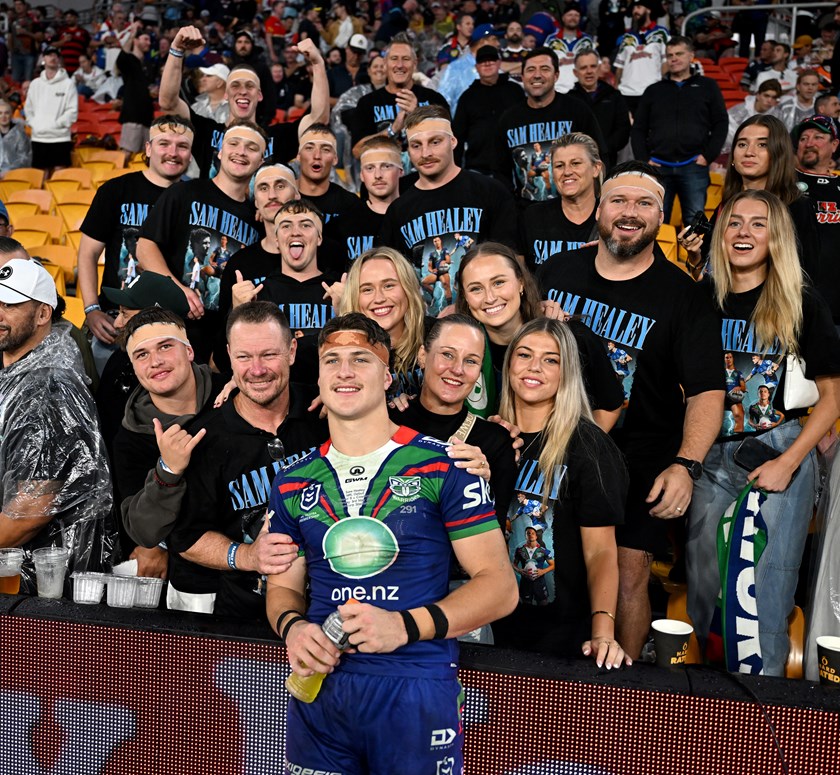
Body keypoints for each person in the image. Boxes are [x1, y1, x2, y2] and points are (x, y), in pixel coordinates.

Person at [265, 312, 517, 774]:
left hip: (414, 688)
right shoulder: (290, 481)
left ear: (387, 375)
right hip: (320, 693)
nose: (344, 371)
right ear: (318, 376)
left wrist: (404, 627)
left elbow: (500, 588)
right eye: (332, 360)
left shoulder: (447, 466)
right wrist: (293, 629)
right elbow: (283, 588)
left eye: (360, 359)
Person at [537, 162, 725, 659]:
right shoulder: (556, 274)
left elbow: (708, 389)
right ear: (599, 209)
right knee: (550, 567)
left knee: (629, 575)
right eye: (619, 200)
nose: (630, 213)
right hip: (557, 445)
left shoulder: (685, 296)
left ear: (661, 218)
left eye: (644, 205)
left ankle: (622, 692)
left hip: (638, 456)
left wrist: (686, 464)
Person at [687, 189, 840, 676]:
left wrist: (789, 462)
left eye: (758, 224)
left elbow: (831, 398)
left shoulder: (801, 302)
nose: (744, 233)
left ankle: (760, 728)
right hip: (711, 456)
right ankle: (704, 708)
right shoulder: (699, 300)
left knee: (764, 600)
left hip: (777, 453)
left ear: (776, 237)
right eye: (734, 223)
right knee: (702, 591)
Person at [169, 301, 327, 617]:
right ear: (229, 356)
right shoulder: (202, 438)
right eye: (244, 357)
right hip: (244, 619)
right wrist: (248, 556)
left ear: (292, 351)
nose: (257, 370)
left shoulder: (325, 412)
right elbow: (186, 537)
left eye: (269, 354)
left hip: (331, 612)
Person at [490, 317, 630, 666]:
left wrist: (603, 633)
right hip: (486, 626)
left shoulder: (589, 447)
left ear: (566, 373)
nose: (534, 366)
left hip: (559, 638)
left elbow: (601, 553)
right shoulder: (487, 440)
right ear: (509, 365)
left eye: (551, 359)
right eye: (524, 355)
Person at [0, 259, 115, 593]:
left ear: (42, 314)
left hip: (45, 581)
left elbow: (32, 510)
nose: (0, 313)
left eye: (11, 305)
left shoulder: (49, 387)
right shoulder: (18, 375)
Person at [456, 241, 623, 426]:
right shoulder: (459, 346)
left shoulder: (572, 338)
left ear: (521, 283)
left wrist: (579, 451)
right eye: (476, 288)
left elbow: (610, 405)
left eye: (499, 282)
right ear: (465, 296)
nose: (490, 297)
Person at [137, 121, 265, 360]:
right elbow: (145, 248)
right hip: (172, 328)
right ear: (220, 151)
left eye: (251, 148)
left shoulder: (259, 220)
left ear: (261, 161)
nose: (241, 152)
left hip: (224, 341)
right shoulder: (184, 192)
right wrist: (176, 288)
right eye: (234, 144)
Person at [79, 114, 194, 373]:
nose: (173, 153)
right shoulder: (115, 190)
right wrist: (91, 309)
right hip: (116, 319)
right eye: (164, 143)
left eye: (182, 146)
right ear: (148, 148)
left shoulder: (194, 199)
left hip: (170, 325)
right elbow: (87, 254)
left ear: (190, 154)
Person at [378, 105, 518, 315]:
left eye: (435, 142)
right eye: (416, 145)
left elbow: (515, 264)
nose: (426, 153)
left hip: (488, 321)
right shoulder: (398, 211)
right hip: (426, 330)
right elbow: (390, 281)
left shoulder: (490, 192)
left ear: (453, 141)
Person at [389, 314, 518, 519]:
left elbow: (495, 534)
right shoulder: (386, 420)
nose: (458, 369)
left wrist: (482, 487)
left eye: (471, 361)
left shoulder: (496, 441)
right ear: (423, 356)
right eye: (448, 355)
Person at [158, 26, 328, 178]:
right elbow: (168, 103)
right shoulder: (206, 132)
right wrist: (176, 50)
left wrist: (318, 63)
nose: (243, 91)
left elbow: (318, 120)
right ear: (226, 94)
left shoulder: (275, 138)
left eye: (250, 86)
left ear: (259, 95)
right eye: (235, 85)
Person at [683, 114, 821, 284]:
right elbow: (707, 278)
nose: (749, 152)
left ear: (779, 154)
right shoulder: (725, 206)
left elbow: (806, 277)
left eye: (762, 145)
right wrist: (694, 256)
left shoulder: (795, 207)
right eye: (742, 144)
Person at [631, 36, 728, 227]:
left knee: (695, 224)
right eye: (670, 55)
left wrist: (708, 156)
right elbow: (638, 129)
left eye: (679, 54)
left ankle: (695, 259)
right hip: (658, 167)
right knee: (654, 223)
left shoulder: (708, 86)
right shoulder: (653, 91)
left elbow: (721, 122)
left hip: (694, 166)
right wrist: (644, 161)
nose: (673, 58)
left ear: (691, 56)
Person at [494, 47, 606, 203]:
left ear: (556, 75)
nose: (537, 75)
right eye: (531, 69)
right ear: (522, 77)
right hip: (526, 214)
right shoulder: (508, 119)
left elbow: (599, 157)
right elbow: (501, 172)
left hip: (575, 210)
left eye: (545, 69)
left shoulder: (577, 111)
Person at [336, 246, 428, 398]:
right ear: (354, 297)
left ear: (408, 288)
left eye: (389, 286)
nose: (379, 298)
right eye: (367, 289)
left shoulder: (436, 336)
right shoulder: (336, 350)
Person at [218, 163, 299, 324]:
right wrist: (237, 310)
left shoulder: (325, 254)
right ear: (256, 202)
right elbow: (222, 339)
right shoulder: (239, 263)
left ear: (297, 195)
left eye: (280, 186)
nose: (272, 195)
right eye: (263, 188)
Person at [350, 33, 449, 159]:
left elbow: (447, 144)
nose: (400, 65)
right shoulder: (367, 103)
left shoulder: (434, 100)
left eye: (406, 59)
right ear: (385, 63)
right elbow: (358, 151)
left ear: (415, 64)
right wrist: (392, 130)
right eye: (394, 58)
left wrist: (417, 116)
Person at [519, 132, 602, 268]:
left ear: (595, 168)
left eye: (575, 163)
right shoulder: (533, 217)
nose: (567, 172)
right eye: (559, 166)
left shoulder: (611, 219)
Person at [793, 115, 840, 327]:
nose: (809, 143)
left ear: (835, 144)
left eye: (818, 137)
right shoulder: (784, 185)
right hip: (797, 303)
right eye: (803, 138)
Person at [452, 44, 525, 179]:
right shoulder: (467, 97)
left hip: (514, 167)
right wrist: (454, 173)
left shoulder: (515, 91)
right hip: (477, 168)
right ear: (477, 67)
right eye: (482, 61)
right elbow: (457, 137)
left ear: (499, 63)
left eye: (491, 59)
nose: (487, 63)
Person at [295, 123, 360, 273]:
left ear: (335, 159)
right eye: (309, 148)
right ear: (298, 156)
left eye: (325, 149)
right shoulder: (282, 199)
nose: (317, 155)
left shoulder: (350, 204)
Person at [341, 135, 403, 261]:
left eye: (386, 166)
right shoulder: (343, 225)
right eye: (370, 168)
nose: (378, 175)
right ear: (362, 175)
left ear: (401, 171)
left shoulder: (414, 217)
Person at [568, 49, 631, 171]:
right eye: (583, 68)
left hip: (608, 163)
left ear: (599, 68)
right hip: (576, 164)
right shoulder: (568, 100)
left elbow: (623, 129)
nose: (589, 71)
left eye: (593, 66)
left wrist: (603, 148)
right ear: (575, 72)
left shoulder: (614, 96)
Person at [23, 46, 77, 174]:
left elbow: (72, 112)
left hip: (60, 138)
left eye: (55, 55)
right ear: (43, 58)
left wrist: (56, 125)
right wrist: (36, 125)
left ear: (58, 59)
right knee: (41, 176)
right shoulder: (35, 84)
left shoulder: (68, 84)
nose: (52, 58)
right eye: (49, 55)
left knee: (60, 176)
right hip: (39, 137)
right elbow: (28, 109)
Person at [613, 0, 669, 114]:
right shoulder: (627, 37)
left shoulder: (661, 33)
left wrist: (658, 83)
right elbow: (620, 66)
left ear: (648, 9)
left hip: (651, 93)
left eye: (638, 7)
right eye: (633, 8)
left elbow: (666, 62)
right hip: (626, 93)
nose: (635, 11)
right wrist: (617, 88)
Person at [115, 22, 156, 155]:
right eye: (145, 39)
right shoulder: (129, 61)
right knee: (126, 155)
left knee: (146, 158)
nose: (148, 43)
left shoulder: (148, 64)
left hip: (147, 117)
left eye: (149, 40)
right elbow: (121, 58)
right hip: (132, 116)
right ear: (136, 41)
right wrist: (132, 34)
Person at [545, 1, 595, 94]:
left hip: (581, 92)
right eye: (570, 15)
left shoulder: (587, 40)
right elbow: (543, 62)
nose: (573, 18)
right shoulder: (551, 39)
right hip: (556, 90)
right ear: (563, 18)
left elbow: (595, 65)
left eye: (576, 15)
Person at [724, 78, 782, 154]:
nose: (769, 101)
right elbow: (728, 138)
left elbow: (778, 141)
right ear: (758, 95)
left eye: (773, 98)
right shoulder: (739, 111)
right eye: (766, 96)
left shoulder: (778, 116)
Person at [0, 98, 31, 175]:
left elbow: (24, 158)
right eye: (0, 113)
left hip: (14, 175)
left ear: (11, 115)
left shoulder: (20, 134)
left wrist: (8, 171)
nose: (3, 116)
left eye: (6, 113)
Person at [56, 8, 89, 76]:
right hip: (63, 67)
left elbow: (88, 47)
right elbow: (54, 44)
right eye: (66, 17)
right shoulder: (61, 31)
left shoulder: (83, 32)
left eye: (70, 17)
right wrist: (63, 40)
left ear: (76, 18)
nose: (68, 19)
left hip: (78, 68)